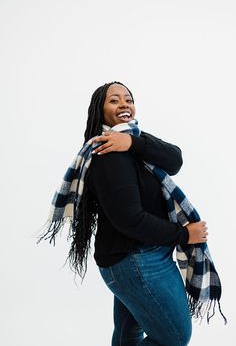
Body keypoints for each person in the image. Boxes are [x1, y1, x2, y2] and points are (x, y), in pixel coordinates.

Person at [38, 81, 214, 346]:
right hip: (136, 261)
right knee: (174, 337)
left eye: (128, 99)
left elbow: (175, 160)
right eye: (114, 100)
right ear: (100, 110)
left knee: (129, 334)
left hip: (141, 256)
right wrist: (184, 234)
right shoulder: (109, 155)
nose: (124, 104)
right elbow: (130, 220)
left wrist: (131, 141)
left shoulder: (131, 141)